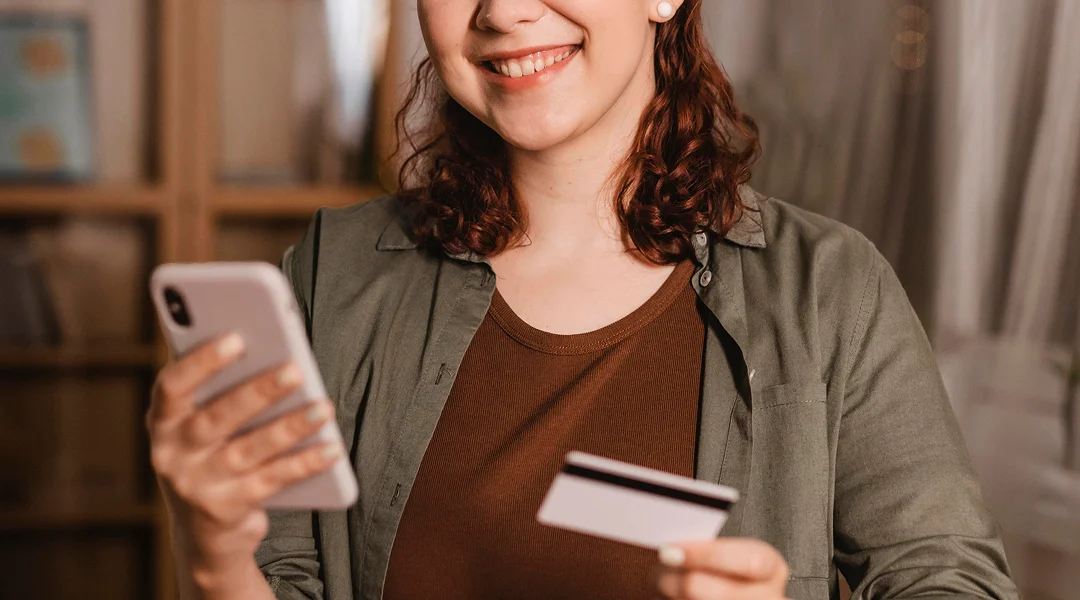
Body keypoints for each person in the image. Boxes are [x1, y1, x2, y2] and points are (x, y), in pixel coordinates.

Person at [147, 1, 1019, 599]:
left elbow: (953, 583)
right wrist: (217, 552)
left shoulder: (831, 290)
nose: (504, 9)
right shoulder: (334, 275)